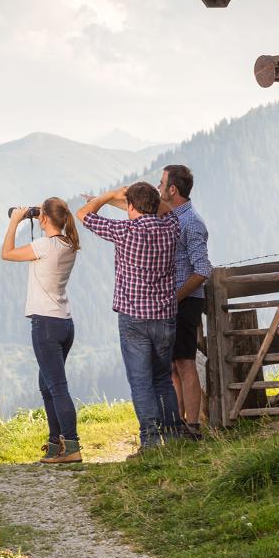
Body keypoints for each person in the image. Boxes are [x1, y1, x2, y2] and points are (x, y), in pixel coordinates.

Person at [76, 183, 181, 456]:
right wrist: (147, 198)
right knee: (163, 379)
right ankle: (173, 436)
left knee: (140, 381)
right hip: (165, 315)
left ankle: (149, 441)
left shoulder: (125, 231)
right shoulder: (171, 228)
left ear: (131, 206)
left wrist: (109, 195)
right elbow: (166, 210)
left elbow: (84, 214)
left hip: (134, 318)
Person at [2, 198, 82, 464]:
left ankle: (71, 447)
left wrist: (16, 220)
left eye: (41, 216)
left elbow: (7, 252)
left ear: (45, 219)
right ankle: (54, 443)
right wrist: (43, 213)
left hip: (45, 324)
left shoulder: (44, 246)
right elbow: (56, 226)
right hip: (64, 323)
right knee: (47, 385)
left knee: (57, 387)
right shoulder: (69, 244)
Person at [159, 165, 212, 437]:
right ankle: (178, 424)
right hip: (175, 301)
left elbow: (202, 269)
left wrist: (173, 298)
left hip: (185, 301)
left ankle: (192, 426)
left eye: (161, 184)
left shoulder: (191, 222)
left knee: (185, 363)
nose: (158, 188)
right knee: (172, 366)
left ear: (172, 189)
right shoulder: (172, 216)